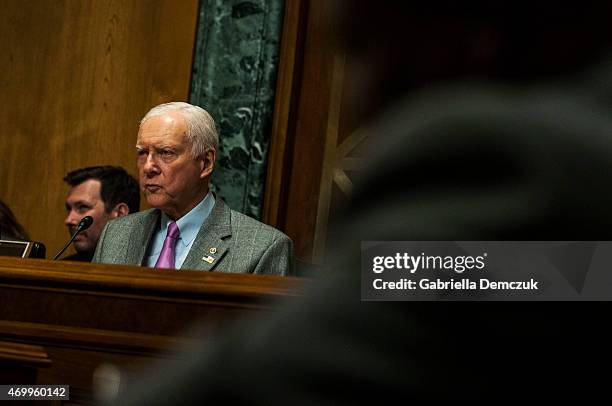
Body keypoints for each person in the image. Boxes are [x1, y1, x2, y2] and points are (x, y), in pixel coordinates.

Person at [112, 3, 612, 403]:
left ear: (472, 39)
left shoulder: (504, 163)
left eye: (361, 50)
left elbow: (306, 352)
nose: (353, 94)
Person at [93, 102, 293, 275]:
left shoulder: (263, 248)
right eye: (143, 153)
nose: (148, 167)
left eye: (166, 153)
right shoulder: (116, 234)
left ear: (205, 163)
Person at [63, 166, 140, 262]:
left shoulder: (150, 264)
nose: (69, 220)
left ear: (120, 214)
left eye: (83, 207)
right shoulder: (61, 269)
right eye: (69, 209)